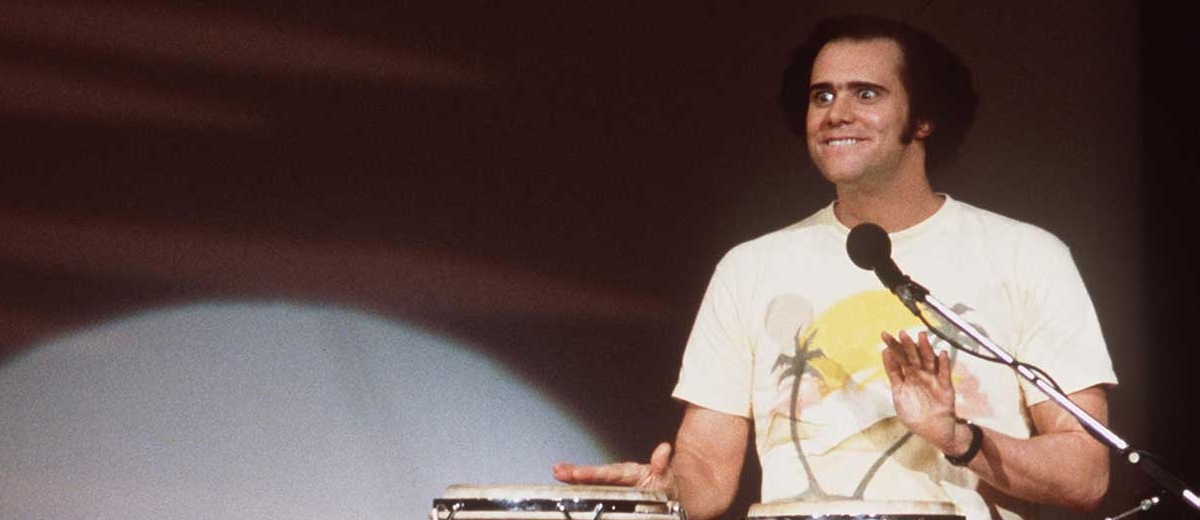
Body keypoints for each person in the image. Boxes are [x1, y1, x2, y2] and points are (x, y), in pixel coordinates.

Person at [553, 15, 1117, 520]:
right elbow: (708, 474)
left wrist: (959, 439)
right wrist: (665, 490)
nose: (835, 114)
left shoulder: (1027, 256)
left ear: (923, 118)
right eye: (821, 96)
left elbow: (1086, 475)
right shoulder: (749, 268)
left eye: (866, 93)